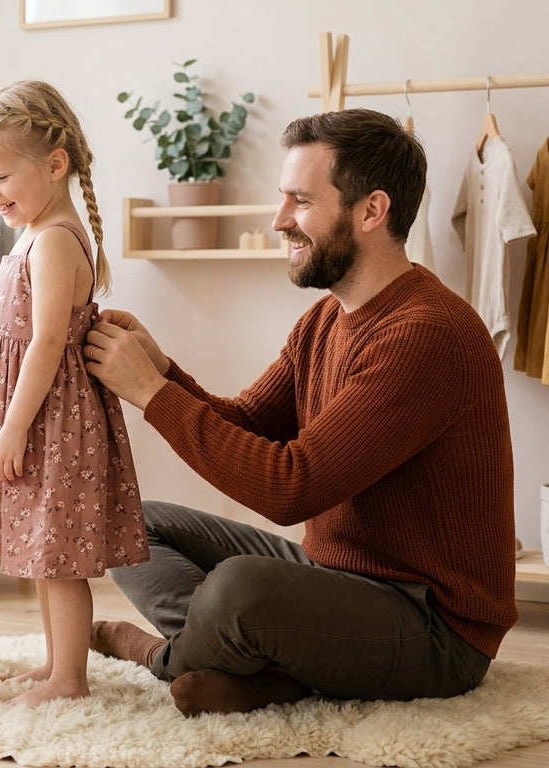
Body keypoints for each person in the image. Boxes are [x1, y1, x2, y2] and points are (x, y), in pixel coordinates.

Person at [82, 108, 517, 717]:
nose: (279, 220)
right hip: (335, 574)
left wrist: (153, 396)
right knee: (131, 517)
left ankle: (163, 658)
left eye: (300, 201)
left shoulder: (428, 334)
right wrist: (161, 370)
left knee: (240, 588)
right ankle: (263, 664)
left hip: (433, 626)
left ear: (371, 211)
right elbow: (249, 424)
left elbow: (291, 487)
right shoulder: (325, 319)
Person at [0, 80, 148, 707]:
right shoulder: (36, 229)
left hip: (50, 417)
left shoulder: (53, 239)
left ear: (55, 165)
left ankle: (69, 681)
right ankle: (56, 665)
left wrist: (15, 424)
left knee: (60, 558)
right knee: (43, 548)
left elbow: (47, 341)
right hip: (38, 411)